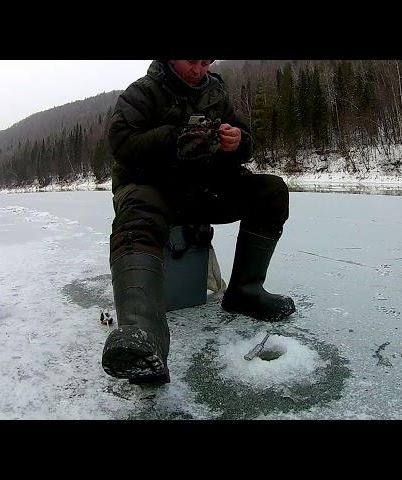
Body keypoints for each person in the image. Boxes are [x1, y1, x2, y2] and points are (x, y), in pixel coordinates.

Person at [102, 60, 295, 384]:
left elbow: (246, 140)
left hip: (202, 190)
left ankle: (245, 292)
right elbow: (120, 144)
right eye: (192, 60)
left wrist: (238, 142)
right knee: (136, 216)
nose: (199, 69)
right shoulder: (142, 93)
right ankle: (142, 334)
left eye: (206, 61)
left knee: (271, 191)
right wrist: (173, 138)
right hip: (151, 188)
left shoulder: (215, 93)